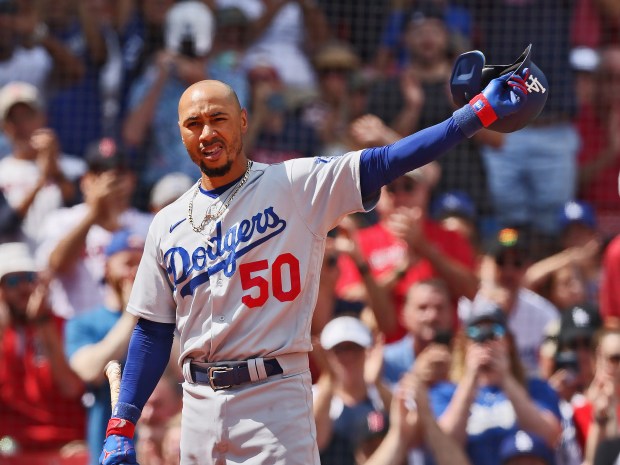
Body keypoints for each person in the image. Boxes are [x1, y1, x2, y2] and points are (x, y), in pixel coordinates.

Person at [98, 68, 531, 465]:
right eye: (194, 124)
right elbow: (152, 329)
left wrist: (473, 115)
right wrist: (121, 423)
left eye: (219, 119)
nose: (208, 133)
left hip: (274, 394)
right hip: (197, 402)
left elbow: (388, 160)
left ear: (244, 121)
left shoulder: (295, 184)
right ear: (181, 133)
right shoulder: (167, 223)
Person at [36, 137, 152, 319]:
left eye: (117, 174)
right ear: (85, 180)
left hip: (133, 330)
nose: (108, 182)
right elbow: (56, 266)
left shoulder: (151, 224)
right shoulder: (62, 219)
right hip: (75, 328)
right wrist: (94, 214)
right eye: (99, 173)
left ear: (131, 179)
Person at [433, 305, 562, 465]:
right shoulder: (445, 392)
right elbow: (444, 444)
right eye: (476, 333)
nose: (486, 341)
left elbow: (550, 437)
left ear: (509, 341)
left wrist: (506, 378)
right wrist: (471, 378)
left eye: (495, 332)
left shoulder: (535, 388)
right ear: (464, 344)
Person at [0, 242, 86, 464]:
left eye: (29, 278)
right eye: (12, 280)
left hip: (66, 444)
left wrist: (42, 322)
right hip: (10, 446)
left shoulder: (63, 326)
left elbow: (70, 387)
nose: (23, 288)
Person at [64, 230, 145, 465]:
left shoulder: (163, 318)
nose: (136, 273)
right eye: (128, 263)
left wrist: (150, 313)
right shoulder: (83, 323)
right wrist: (133, 314)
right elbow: (90, 370)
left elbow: (177, 368)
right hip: (110, 449)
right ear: (107, 268)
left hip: (161, 449)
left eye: (142, 265)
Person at [312, 316, 390, 465]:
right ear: (326, 354)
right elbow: (317, 442)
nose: (348, 356)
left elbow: (410, 437)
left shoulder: (383, 393)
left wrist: (376, 383)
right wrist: (329, 377)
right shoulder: (312, 396)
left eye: (355, 348)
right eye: (339, 350)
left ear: (367, 351)